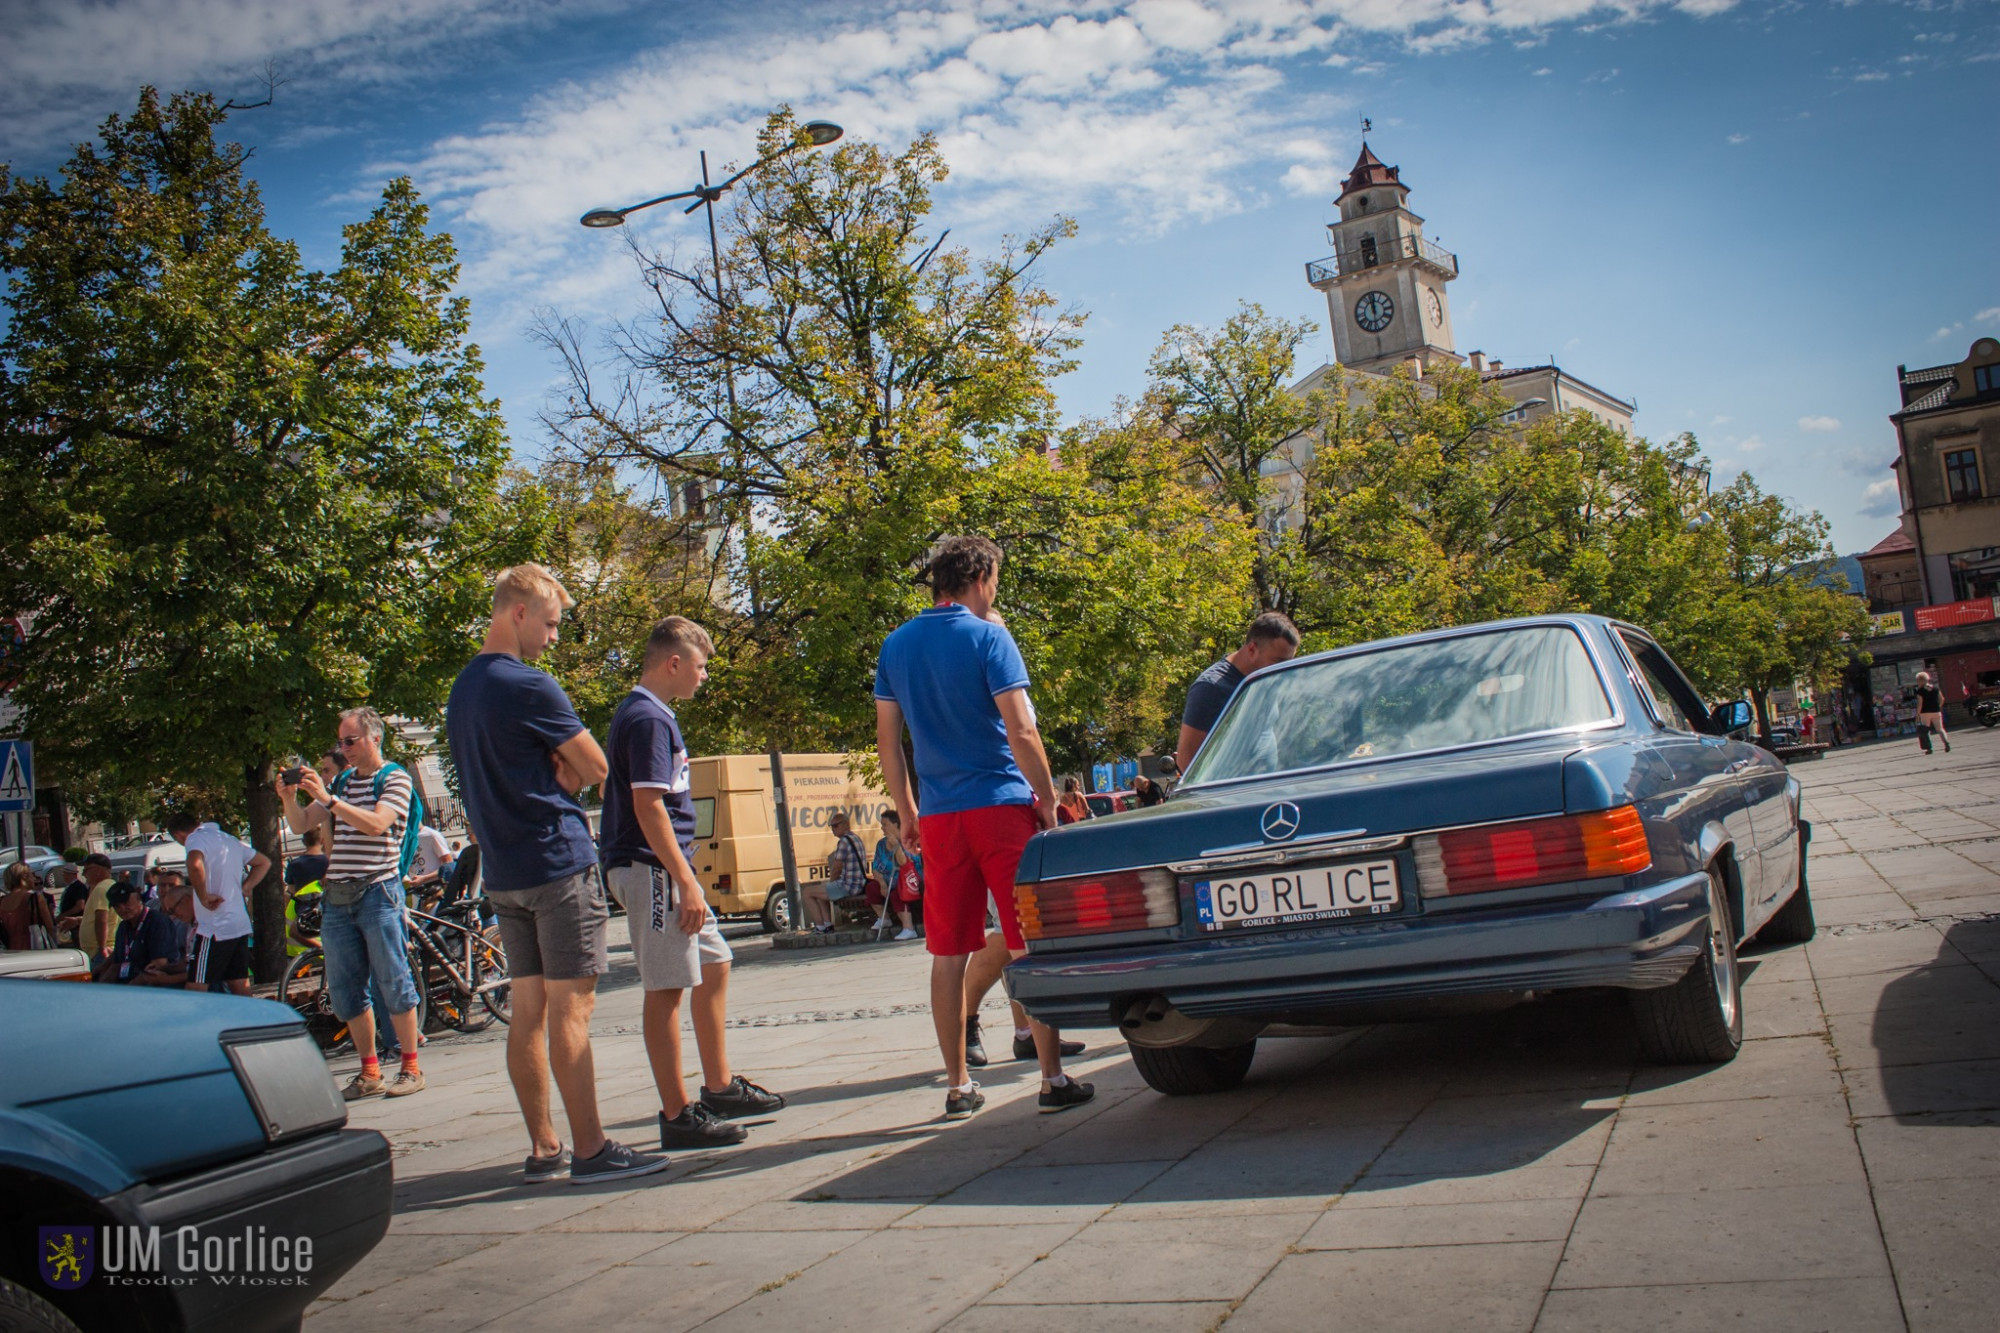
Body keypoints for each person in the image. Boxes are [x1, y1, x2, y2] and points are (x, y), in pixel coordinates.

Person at [448, 563, 666, 1185]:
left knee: (528, 1011)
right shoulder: (530, 685)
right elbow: (596, 766)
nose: (552, 638)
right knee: (573, 1009)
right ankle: (592, 1149)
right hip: (555, 862)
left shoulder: (463, 688)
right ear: (518, 613)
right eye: (549, 624)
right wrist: (562, 769)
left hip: (504, 871)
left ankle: (544, 1147)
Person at [875, 535, 1093, 1120]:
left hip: (941, 816)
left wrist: (909, 810)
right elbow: (1022, 731)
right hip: (1000, 807)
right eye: (994, 578)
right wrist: (1047, 800)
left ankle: (957, 1083)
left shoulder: (895, 645)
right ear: (979, 577)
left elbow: (888, 744)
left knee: (947, 952)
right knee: (1027, 941)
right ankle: (1051, 1077)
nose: (995, 588)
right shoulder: (989, 635)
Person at [599, 615, 785, 1153]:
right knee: (666, 988)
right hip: (650, 868)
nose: (704, 677)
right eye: (700, 667)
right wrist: (686, 881)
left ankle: (721, 1086)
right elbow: (647, 803)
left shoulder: (650, 715)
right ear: (673, 662)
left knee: (714, 962)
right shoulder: (649, 719)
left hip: (658, 866)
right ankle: (677, 1114)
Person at [275, 707, 426, 1098]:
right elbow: (300, 824)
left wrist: (329, 799)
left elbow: (377, 824)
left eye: (350, 741)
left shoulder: (394, 777)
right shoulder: (341, 782)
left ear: (375, 738)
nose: (344, 749)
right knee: (344, 989)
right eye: (341, 741)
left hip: (378, 890)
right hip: (338, 897)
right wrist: (290, 799)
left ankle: (410, 1066)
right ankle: (370, 1070)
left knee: (393, 980)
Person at [1175, 612, 1303, 773]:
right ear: (1251, 650)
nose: (1284, 670)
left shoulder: (1266, 678)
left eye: (1289, 662)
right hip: (1235, 795)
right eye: (1278, 662)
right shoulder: (1211, 688)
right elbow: (1187, 760)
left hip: (1268, 790)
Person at [166, 812, 270, 997]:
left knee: (197, 983)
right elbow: (263, 862)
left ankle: (195, 1024)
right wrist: (246, 886)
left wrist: (203, 896)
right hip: (238, 923)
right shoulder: (228, 839)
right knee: (238, 981)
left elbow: (195, 863)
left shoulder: (195, 838)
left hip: (215, 926)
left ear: (179, 836)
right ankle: (251, 1022)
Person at [94, 883, 181, 984]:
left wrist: (129, 989)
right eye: (117, 906)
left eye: (125, 902)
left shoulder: (157, 922)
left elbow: (159, 965)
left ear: (138, 897)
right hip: (126, 984)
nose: (122, 908)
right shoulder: (123, 926)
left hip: (150, 986)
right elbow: (117, 960)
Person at [57, 853, 119, 971]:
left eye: (86, 870)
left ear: (98, 870)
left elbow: (102, 919)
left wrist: (102, 947)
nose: (84, 874)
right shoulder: (105, 886)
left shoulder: (102, 888)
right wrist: (77, 920)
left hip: (101, 951)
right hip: (98, 951)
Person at [870, 810, 922, 940]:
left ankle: (908, 928)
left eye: (885, 824)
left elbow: (905, 863)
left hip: (908, 880)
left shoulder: (908, 841)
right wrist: (882, 884)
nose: (882, 828)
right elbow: (876, 867)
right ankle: (884, 918)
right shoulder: (881, 844)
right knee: (872, 888)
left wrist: (897, 847)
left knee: (896, 893)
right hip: (888, 879)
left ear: (896, 824)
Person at [284, 828, 328, 958]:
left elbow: (291, 891)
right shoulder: (327, 862)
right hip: (325, 904)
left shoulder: (295, 864)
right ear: (322, 840)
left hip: (302, 908)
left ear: (304, 841)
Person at [1, 862, 57, 951]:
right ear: (24, 877)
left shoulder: (2, 901)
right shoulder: (34, 898)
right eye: (31, 874)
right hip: (34, 946)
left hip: (11, 948)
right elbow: (49, 926)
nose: (34, 878)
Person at [1915, 671, 1950, 755]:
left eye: (1918, 681)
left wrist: (1917, 714)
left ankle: (1929, 748)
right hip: (1936, 711)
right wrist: (1939, 707)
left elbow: (1920, 703)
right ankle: (1946, 743)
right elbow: (1942, 699)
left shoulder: (1920, 691)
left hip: (1925, 712)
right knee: (1940, 729)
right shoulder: (1935, 688)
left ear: (1921, 680)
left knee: (1926, 730)